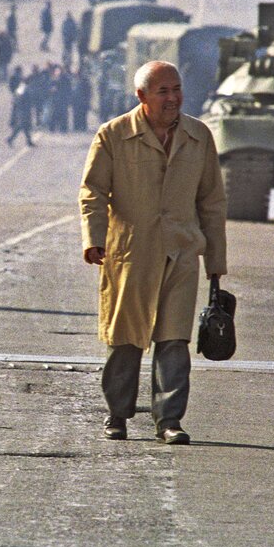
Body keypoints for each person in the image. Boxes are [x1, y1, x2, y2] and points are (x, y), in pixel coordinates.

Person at [79, 60, 227, 445]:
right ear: (141, 96)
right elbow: (93, 191)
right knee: (126, 338)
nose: (173, 98)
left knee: (174, 339)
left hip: (181, 252)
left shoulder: (198, 136)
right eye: (163, 91)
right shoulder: (113, 135)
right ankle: (117, 415)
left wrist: (215, 262)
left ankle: (169, 420)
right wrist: (94, 239)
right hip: (131, 252)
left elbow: (211, 201)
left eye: (176, 89)